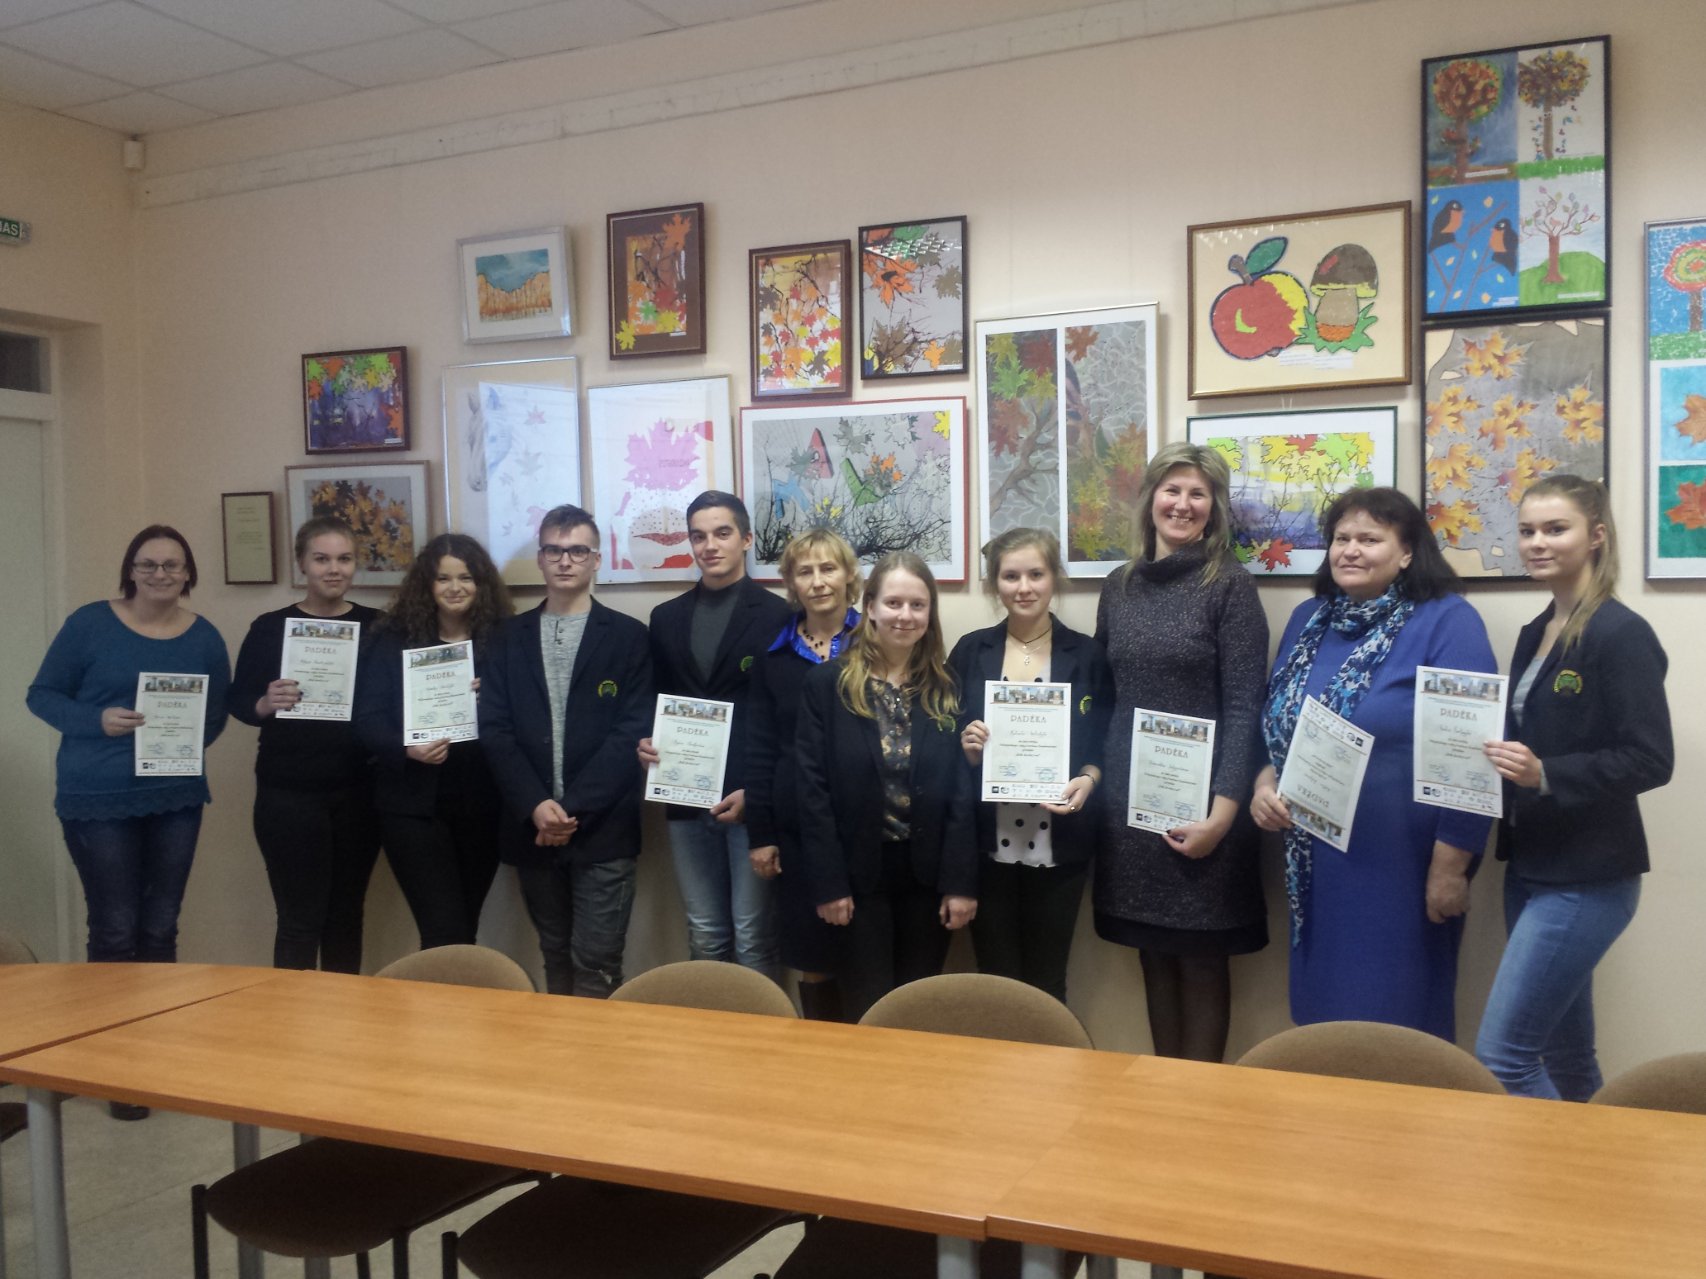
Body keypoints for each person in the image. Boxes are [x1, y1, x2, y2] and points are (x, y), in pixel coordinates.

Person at [1253, 486, 1495, 1041]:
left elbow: (1471, 756)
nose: (1351, 550)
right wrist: (1264, 783)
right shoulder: (1308, 619)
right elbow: (1275, 724)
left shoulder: (1448, 622)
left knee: (1397, 1032)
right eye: (1341, 538)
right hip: (1315, 864)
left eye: (1370, 539)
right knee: (1325, 1032)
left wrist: (1451, 868)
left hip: (1405, 868)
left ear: (1407, 552)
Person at [1477, 476, 1672, 1099]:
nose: (1537, 542)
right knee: (1564, 1055)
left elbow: (1650, 759)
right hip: (1529, 866)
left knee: (1503, 1059)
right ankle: (1599, 1162)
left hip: (1589, 877)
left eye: (1555, 529)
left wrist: (1547, 774)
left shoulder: (1620, 633)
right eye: (1528, 531)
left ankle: (1557, 1169)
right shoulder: (1537, 630)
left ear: (1596, 536)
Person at [28, 526, 229, 1119]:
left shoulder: (204, 637)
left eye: (172, 565)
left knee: (161, 929)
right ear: (130, 570)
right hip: (98, 795)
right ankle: (115, 1068)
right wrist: (96, 721)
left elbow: (215, 712)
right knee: (116, 929)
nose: (160, 574)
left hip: (176, 796)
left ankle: (153, 1058)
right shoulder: (89, 624)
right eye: (148, 565)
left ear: (188, 573)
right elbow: (42, 695)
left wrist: (181, 746)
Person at [1095, 444, 1269, 1062]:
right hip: (1132, 809)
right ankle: (1161, 1102)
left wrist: (1221, 818)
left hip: (1208, 810)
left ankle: (1201, 1103)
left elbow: (1245, 708)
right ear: (1151, 499)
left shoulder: (1231, 586)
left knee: (1200, 960)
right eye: (1172, 490)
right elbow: (1106, 692)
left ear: (1214, 507)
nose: (1183, 504)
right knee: (1154, 957)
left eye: (1199, 493)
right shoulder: (1119, 586)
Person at [479, 505, 652, 997]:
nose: (565, 560)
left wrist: (569, 810)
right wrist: (537, 806)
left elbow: (632, 731)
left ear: (596, 559)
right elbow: (495, 728)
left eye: (577, 550)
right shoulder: (506, 637)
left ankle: (595, 1049)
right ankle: (557, 1046)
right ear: (540, 558)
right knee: (553, 952)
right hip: (531, 826)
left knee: (597, 963)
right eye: (554, 550)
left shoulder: (629, 636)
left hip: (603, 827)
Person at [795, 552, 976, 1021]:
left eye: (918, 605)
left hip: (927, 879)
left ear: (930, 612)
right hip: (858, 878)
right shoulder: (827, 686)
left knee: (918, 1010)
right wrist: (829, 883)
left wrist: (960, 884)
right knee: (868, 1009)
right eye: (893, 603)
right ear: (870, 607)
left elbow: (960, 793)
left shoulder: (947, 687)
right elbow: (812, 792)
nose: (905, 615)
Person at [951, 528, 1113, 1003]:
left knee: (1047, 979)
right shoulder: (970, 651)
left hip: (1060, 840)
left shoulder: (1087, 654)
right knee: (996, 981)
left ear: (1054, 578)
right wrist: (967, 748)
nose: (1024, 587)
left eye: (1036, 574)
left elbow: (1105, 739)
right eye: (1011, 576)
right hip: (987, 841)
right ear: (994, 583)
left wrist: (1089, 779)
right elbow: (942, 740)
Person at [637, 491, 792, 979]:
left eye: (722, 533)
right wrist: (646, 743)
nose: (710, 545)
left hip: (750, 798)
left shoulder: (779, 616)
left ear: (746, 539)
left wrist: (759, 793)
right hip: (683, 793)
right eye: (699, 536)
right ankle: (708, 1026)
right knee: (705, 931)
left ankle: (761, 1028)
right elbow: (656, 701)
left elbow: (785, 718)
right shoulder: (665, 618)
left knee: (752, 934)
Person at [228, 516, 382, 972]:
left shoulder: (378, 626)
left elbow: (401, 697)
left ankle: (342, 1013)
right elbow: (237, 701)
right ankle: (290, 1014)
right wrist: (264, 702)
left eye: (344, 559)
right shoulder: (270, 627)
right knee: (299, 921)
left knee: (346, 917)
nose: (333, 569)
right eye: (321, 559)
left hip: (359, 793)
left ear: (355, 564)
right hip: (288, 794)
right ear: (302, 564)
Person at [355, 533, 512, 950]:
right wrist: (407, 749)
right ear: (427, 585)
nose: (455, 587)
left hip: (482, 805)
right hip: (412, 808)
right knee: (442, 931)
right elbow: (368, 719)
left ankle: (457, 994)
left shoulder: (502, 641)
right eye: (443, 578)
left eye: (466, 577)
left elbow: (522, 718)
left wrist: (494, 697)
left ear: (481, 584)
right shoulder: (393, 640)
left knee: (465, 931)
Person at [745, 528, 862, 1020]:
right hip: (796, 828)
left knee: (867, 955)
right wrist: (762, 834)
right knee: (811, 954)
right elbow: (760, 746)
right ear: (790, 583)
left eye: (828, 568)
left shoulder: (877, 641)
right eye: (805, 572)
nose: (818, 582)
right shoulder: (773, 654)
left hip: (868, 825)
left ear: (849, 575)